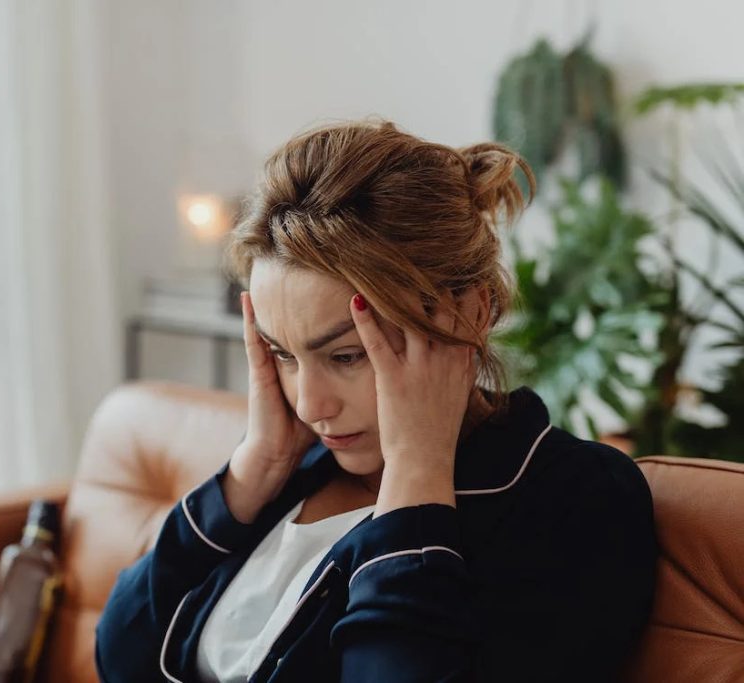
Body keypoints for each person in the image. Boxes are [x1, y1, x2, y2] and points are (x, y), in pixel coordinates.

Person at [94, 119, 657, 682]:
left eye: (345, 356)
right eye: (283, 354)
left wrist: (417, 474)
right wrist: (251, 472)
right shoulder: (295, 470)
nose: (311, 406)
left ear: (471, 313)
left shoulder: (575, 499)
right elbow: (119, 655)